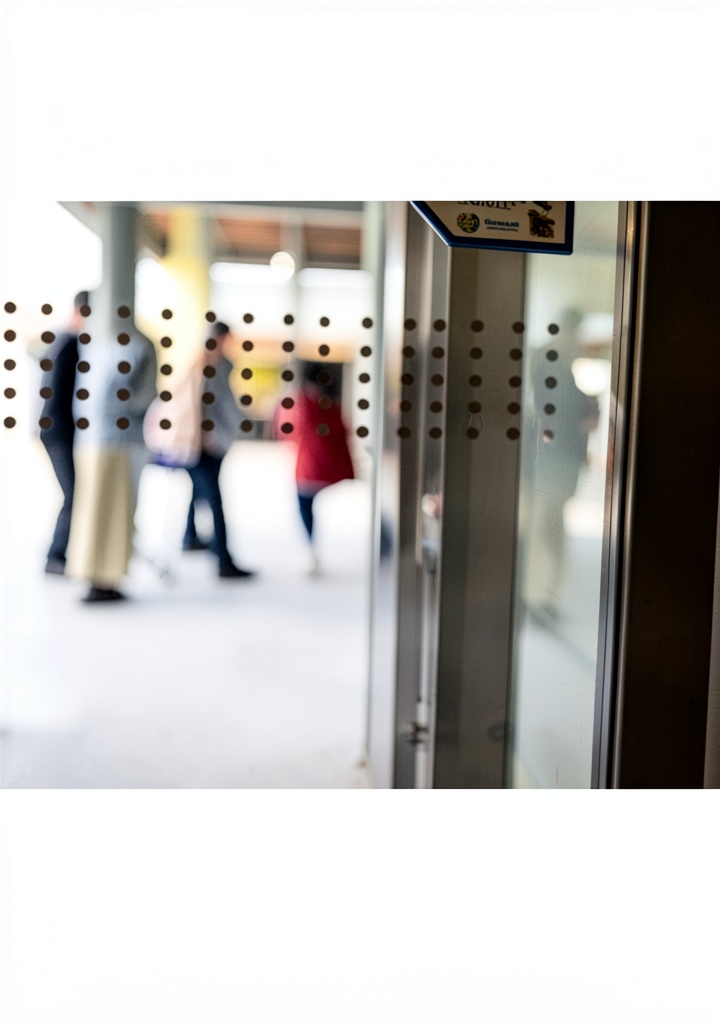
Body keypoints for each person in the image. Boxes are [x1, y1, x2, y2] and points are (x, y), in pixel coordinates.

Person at [66, 322, 157, 602]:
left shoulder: (96, 347)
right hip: (119, 442)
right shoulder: (138, 347)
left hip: (89, 440)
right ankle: (105, 578)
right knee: (115, 514)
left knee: (91, 512)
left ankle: (95, 575)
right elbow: (138, 398)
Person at [179, 321, 255, 579]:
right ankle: (223, 560)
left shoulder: (197, 363)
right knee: (215, 501)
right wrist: (213, 434)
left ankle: (190, 537)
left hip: (197, 443)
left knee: (200, 492)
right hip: (206, 444)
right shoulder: (213, 367)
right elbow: (213, 406)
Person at [275, 360, 355, 575]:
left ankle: (311, 551)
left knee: (304, 505)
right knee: (308, 504)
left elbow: (287, 429)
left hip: (310, 466)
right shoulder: (331, 404)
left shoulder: (302, 403)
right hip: (330, 466)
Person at [39, 290, 87, 575]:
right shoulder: (70, 344)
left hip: (56, 429)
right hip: (59, 431)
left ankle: (63, 554)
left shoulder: (61, 341)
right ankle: (55, 556)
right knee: (73, 493)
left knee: (75, 493)